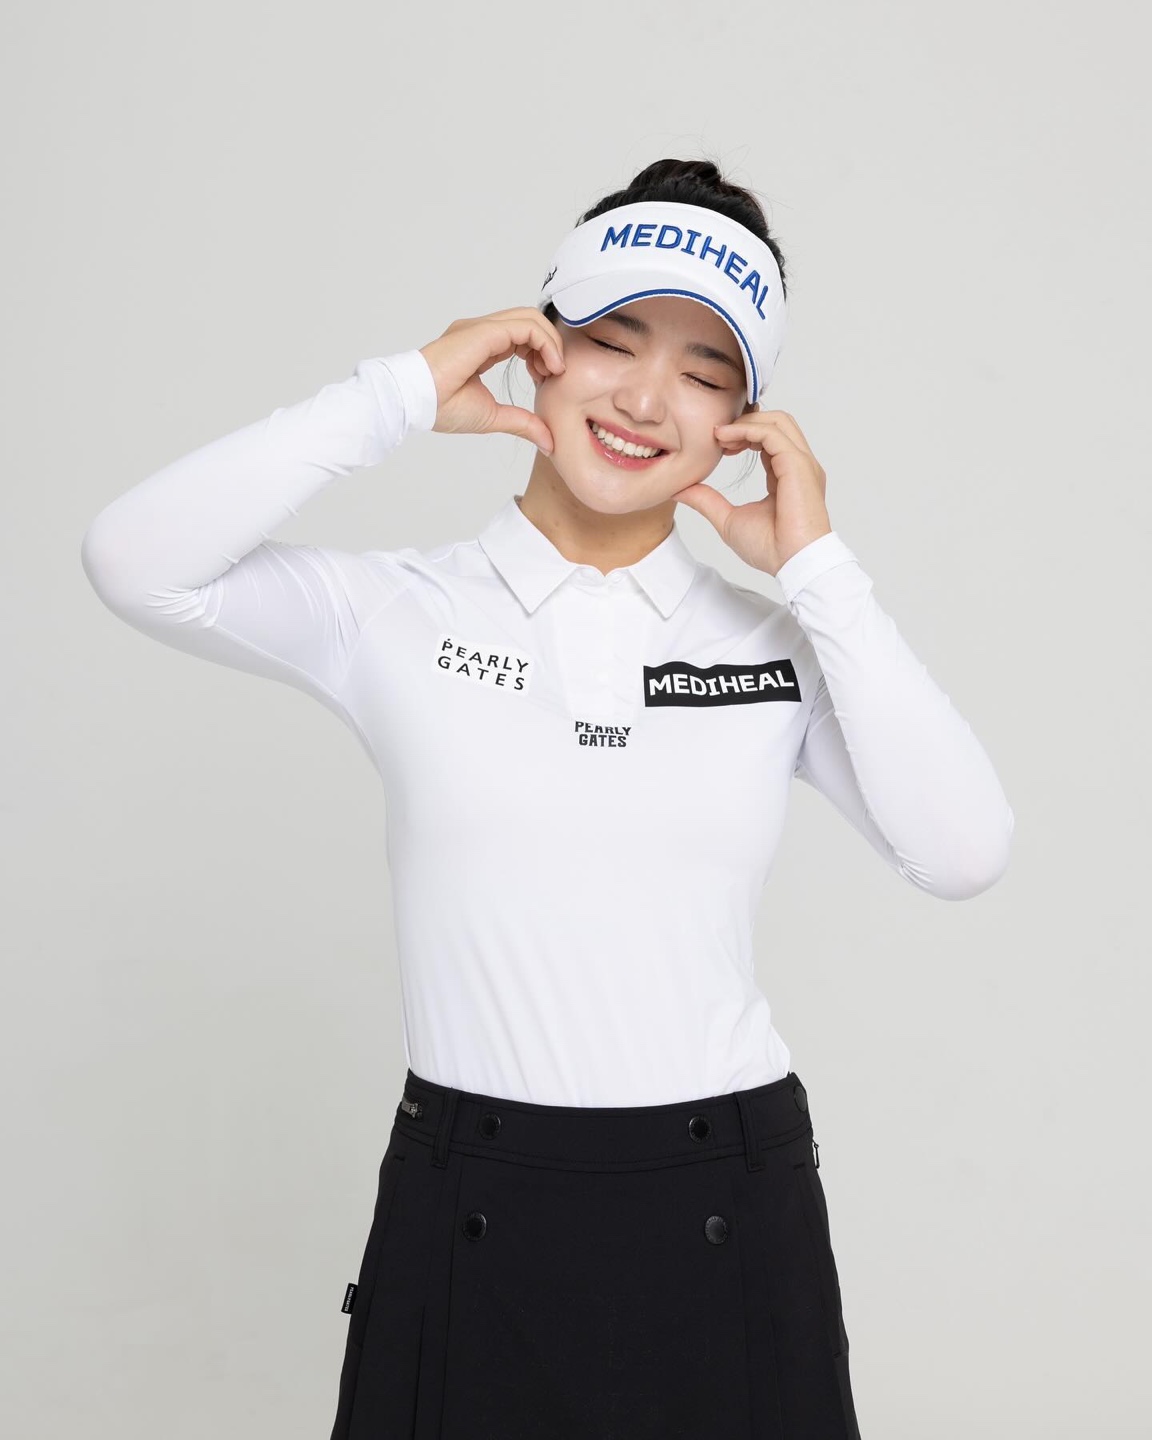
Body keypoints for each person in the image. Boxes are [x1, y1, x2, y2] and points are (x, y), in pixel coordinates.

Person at [80, 157, 1014, 1439]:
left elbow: (963, 850)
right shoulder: (398, 610)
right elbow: (133, 561)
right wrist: (400, 393)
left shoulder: (775, 644)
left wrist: (816, 569)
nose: (645, 398)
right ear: (538, 348)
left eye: (705, 373)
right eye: (614, 342)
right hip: (470, 1198)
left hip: (731, 1199)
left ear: (744, 421)